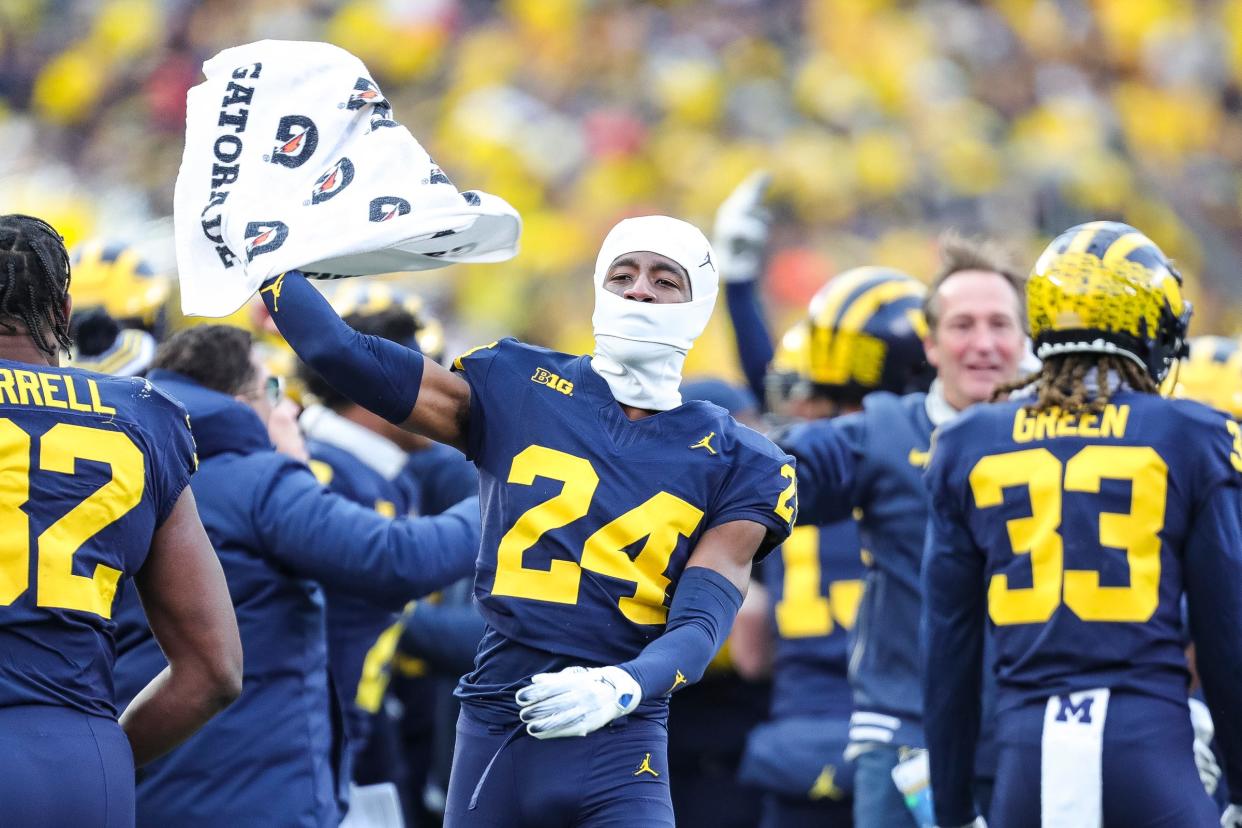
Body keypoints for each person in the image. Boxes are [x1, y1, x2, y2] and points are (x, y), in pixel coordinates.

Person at [258, 214, 798, 827]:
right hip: (499, 726)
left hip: (623, 740)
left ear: (698, 306)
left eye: (664, 279)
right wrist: (265, 258)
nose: (640, 289)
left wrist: (621, 685)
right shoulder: (519, 385)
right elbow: (340, 352)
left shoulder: (742, 459)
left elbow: (701, 626)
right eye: (622, 275)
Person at [922, 221, 1242, 827]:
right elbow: (1227, 637)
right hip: (1147, 750)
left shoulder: (966, 441)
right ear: (1151, 326)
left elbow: (948, 656)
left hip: (1026, 758)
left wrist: (952, 808)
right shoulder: (1193, 435)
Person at [112, 324, 483, 828]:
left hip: (148, 770)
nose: (287, 409)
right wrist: (509, 496)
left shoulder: (139, 469)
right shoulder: (254, 479)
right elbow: (401, 560)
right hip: (251, 785)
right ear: (240, 401)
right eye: (273, 390)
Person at [0, 214, 242, 827]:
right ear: (64, 309)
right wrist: (97, 757)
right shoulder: (141, 416)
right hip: (74, 758)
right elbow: (215, 671)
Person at [781, 234, 1027, 826]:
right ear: (931, 344)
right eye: (963, 325)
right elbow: (773, 473)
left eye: (1000, 324)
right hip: (905, 730)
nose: (984, 343)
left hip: (1029, 729)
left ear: (1026, 341)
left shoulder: (1064, 437)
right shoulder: (887, 430)